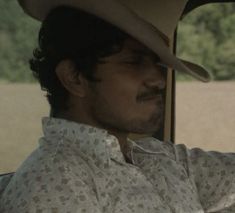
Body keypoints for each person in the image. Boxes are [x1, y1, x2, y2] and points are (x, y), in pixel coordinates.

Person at [0, 0, 234, 212]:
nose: (159, 80)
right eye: (134, 61)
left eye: (156, 63)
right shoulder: (53, 183)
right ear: (74, 77)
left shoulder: (159, 156)